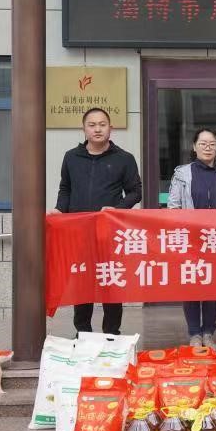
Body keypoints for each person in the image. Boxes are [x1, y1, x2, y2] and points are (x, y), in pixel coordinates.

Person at [51, 107, 142, 336]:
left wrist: (117, 209)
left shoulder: (124, 158)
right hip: (78, 231)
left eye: (102, 124)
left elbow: (135, 192)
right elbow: (66, 188)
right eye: (92, 125)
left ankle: (112, 333)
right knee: (82, 283)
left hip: (109, 231)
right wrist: (60, 209)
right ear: (84, 129)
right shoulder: (72, 157)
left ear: (111, 128)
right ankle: (83, 333)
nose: (97, 129)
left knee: (111, 280)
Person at [167, 128, 216, 351]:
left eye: (212, 144)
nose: (207, 147)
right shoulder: (182, 174)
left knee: (213, 287)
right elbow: (173, 207)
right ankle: (194, 333)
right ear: (194, 147)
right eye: (203, 143)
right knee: (192, 286)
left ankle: (208, 333)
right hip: (190, 239)